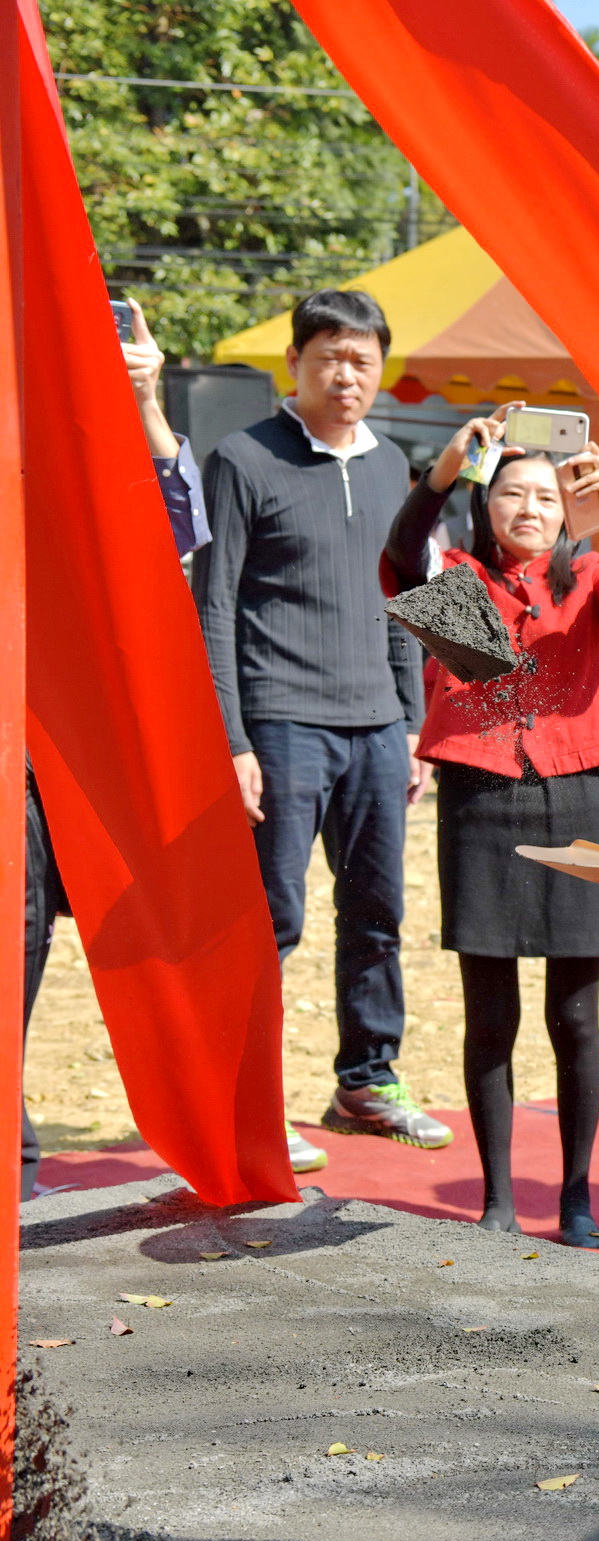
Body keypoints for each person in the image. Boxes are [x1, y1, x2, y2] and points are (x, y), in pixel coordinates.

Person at [382, 406, 599, 1247]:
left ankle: (577, 1195)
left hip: (579, 797)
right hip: (481, 800)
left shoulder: (588, 576)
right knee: (491, 1013)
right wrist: (443, 473)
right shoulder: (458, 583)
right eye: (512, 492)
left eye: (546, 496)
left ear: (563, 509)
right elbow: (401, 557)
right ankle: (498, 1199)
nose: (530, 508)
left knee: (575, 1015)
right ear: (488, 503)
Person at [193, 288, 449, 1167]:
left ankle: (367, 1080)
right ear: (294, 365)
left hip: (378, 725)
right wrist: (231, 740)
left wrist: (415, 722)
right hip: (279, 721)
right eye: (330, 357)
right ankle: (245, 1097)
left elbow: (409, 597)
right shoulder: (240, 459)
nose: (347, 375)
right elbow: (213, 605)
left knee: (378, 911)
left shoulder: (396, 465)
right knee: (274, 918)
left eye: (363, 359)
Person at [24, 300, 213, 1193]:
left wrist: (146, 403)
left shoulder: (97, 453)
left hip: (66, 745)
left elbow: (180, 528)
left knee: (35, 935)